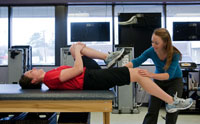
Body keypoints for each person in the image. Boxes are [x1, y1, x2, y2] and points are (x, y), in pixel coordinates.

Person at [19, 42, 193, 114]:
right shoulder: (49, 77)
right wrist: (78, 53)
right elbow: (78, 68)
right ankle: (170, 101)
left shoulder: (50, 76)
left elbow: (77, 67)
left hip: (88, 75)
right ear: (34, 81)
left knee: (74, 47)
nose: (33, 69)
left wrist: (77, 50)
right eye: (30, 72)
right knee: (138, 74)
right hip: (92, 78)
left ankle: (107, 58)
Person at [124, 28, 189, 124]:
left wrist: (150, 74)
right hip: (159, 81)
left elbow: (168, 75)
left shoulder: (174, 54)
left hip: (175, 81)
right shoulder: (151, 51)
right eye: (152, 42)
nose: (153, 45)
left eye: (156, 43)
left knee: (172, 110)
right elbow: (137, 61)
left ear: (165, 43)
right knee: (152, 110)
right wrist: (122, 69)